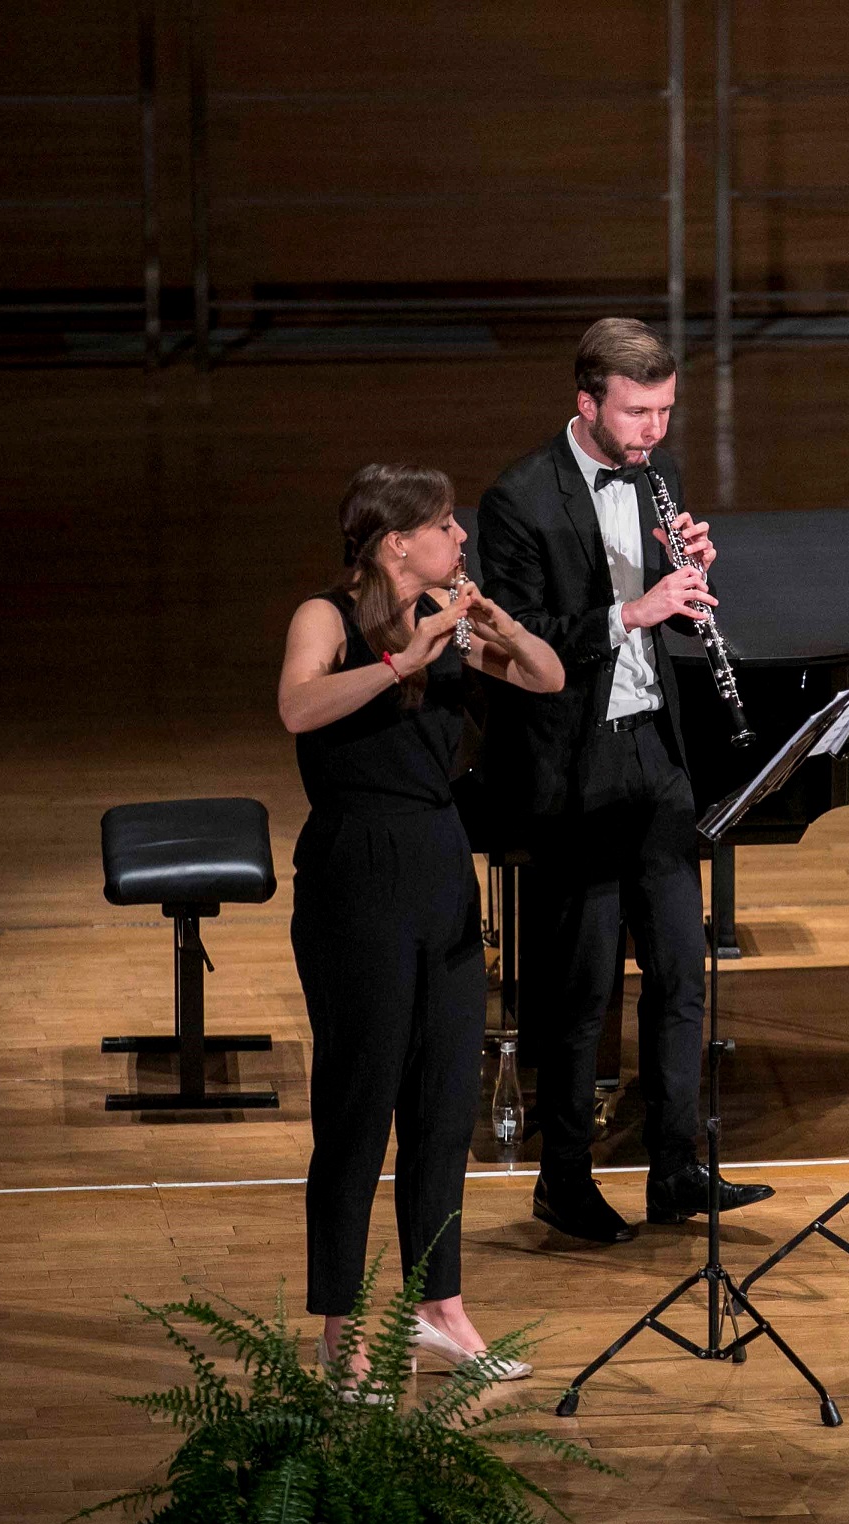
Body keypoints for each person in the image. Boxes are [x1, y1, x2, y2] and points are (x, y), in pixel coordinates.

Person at [477, 318, 772, 1244]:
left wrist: (686, 592)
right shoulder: (518, 499)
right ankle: (563, 1180)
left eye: (665, 412)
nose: (653, 430)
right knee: (583, 987)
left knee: (682, 973)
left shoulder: (658, 477)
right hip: (573, 764)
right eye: (637, 412)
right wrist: (632, 608)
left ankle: (675, 1169)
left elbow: (664, 624)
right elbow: (515, 640)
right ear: (588, 403)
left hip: (655, 749)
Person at [277, 463, 565, 1385]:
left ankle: (440, 1304)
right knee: (358, 1111)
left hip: (440, 860)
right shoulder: (327, 617)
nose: (461, 537)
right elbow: (297, 704)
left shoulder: (449, 620)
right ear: (398, 541)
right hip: (356, 869)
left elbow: (548, 678)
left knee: (444, 1104)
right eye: (446, 525)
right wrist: (406, 657)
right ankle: (340, 1322)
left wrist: (492, 626)